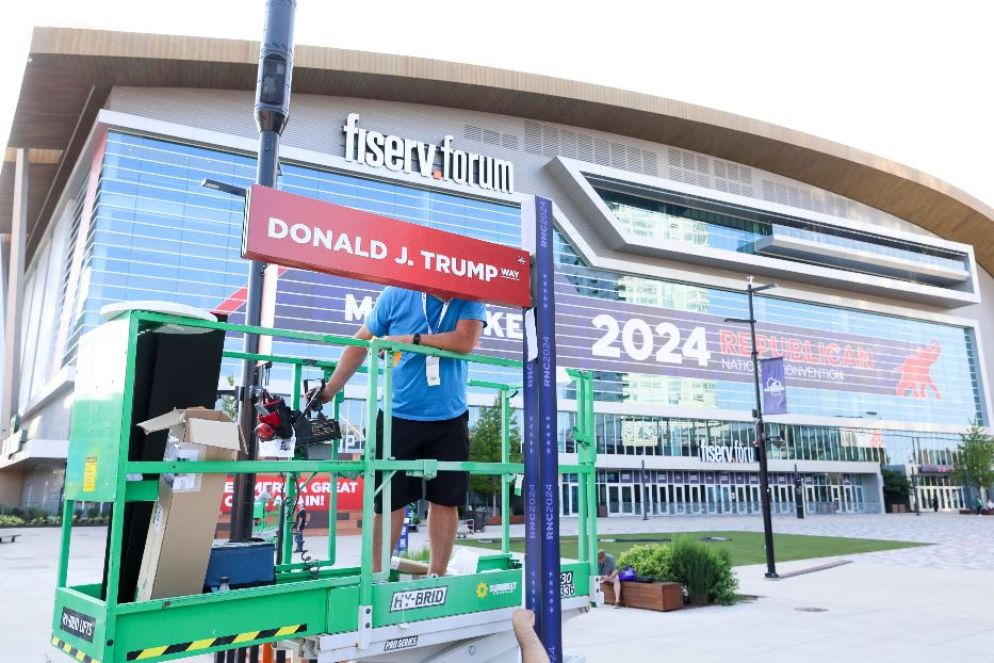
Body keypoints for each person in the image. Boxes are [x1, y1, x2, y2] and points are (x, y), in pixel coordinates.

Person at [310, 287, 485, 576]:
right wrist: (330, 389)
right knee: (388, 500)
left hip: (449, 416)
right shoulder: (396, 294)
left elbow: (466, 340)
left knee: (446, 499)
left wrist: (412, 340)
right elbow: (360, 342)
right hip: (397, 415)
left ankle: (436, 577)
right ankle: (378, 577)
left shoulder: (470, 295)